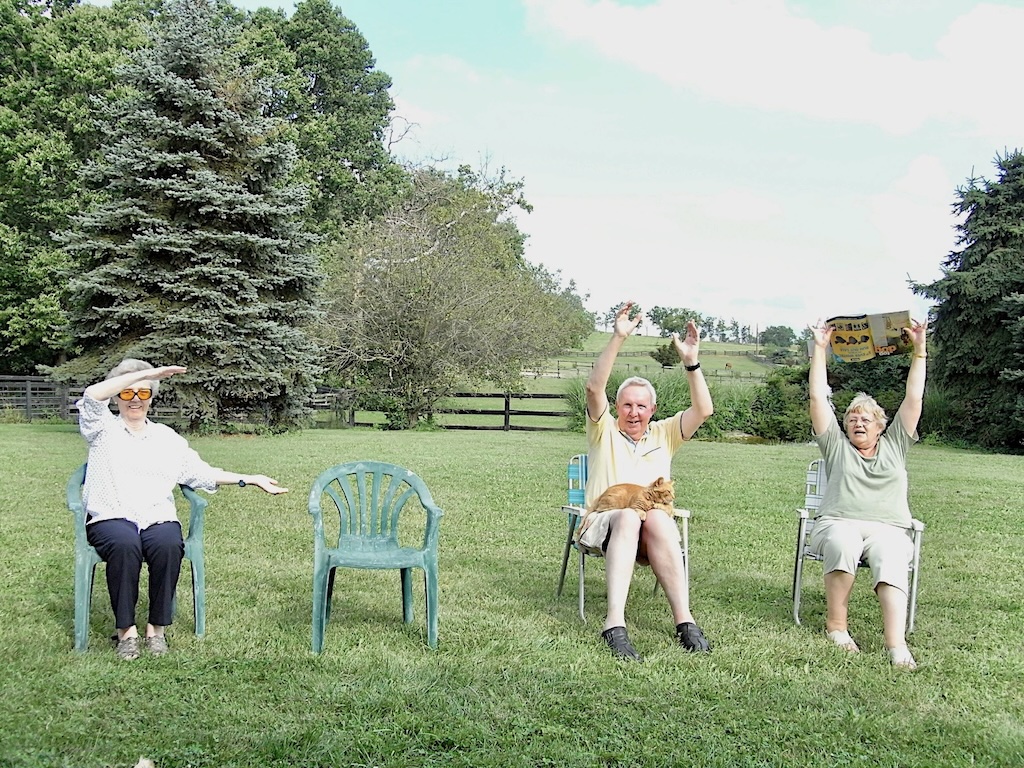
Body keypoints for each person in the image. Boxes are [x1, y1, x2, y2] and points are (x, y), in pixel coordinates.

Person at [77, 359, 288, 660]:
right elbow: (91, 395)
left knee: (167, 544)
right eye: (126, 393)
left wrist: (249, 479)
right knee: (125, 544)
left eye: (143, 392)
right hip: (110, 515)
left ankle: (156, 629)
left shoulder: (167, 438)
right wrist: (145, 374)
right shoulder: (101, 429)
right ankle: (126, 632)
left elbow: (201, 473)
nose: (135, 399)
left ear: (152, 397)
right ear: (116, 397)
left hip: (154, 514)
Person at [578, 302, 714, 661]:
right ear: (617, 408)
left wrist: (691, 362)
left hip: (649, 532)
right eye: (626, 405)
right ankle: (614, 623)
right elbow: (594, 388)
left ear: (652, 410)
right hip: (604, 524)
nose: (633, 412)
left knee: (655, 516)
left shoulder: (664, 434)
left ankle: (685, 621)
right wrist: (618, 337)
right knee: (627, 516)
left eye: (641, 406)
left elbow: (703, 411)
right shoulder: (603, 430)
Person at [807, 319, 928, 669]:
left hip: (887, 528)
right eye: (852, 418)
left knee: (891, 554)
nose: (858, 423)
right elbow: (817, 396)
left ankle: (896, 645)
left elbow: (914, 397)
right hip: (837, 523)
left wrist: (919, 350)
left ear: (882, 425)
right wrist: (820, 347)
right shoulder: (836, 446)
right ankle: (837, 627)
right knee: (844, 541)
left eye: (866, 419)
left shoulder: (896, 445)